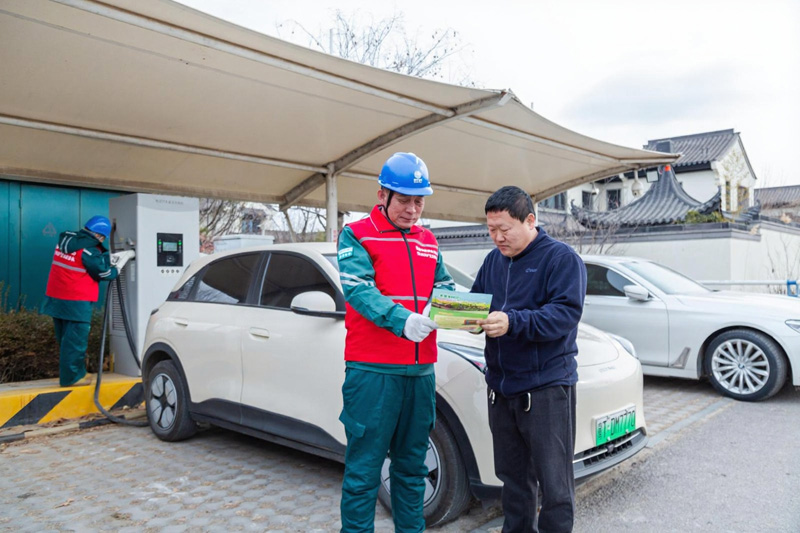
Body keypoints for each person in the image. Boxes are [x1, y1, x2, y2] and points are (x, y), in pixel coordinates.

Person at [337, 152, 455, 532]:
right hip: (373, 374)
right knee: (364, 473)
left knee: (412, 470)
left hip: (420, 375)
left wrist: (464, 312)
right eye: (404, 200)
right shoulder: (357, 234)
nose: (412, 210)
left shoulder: (428, 240)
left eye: (419, 201)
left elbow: (446, 288)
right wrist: (403, 320)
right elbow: (358, 289)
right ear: (382, 195)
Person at [472, 186, 587, 533]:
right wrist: (466, 317)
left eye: (504, 229)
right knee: (513, 480)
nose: (497, 237)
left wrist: (512, 322)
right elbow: (478, 302)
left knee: (555, 486)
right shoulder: (493, 261)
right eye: (491, 229)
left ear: (530, 221)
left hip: (546, 389)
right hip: (502, 388)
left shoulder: (560, 259)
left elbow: (564, 315)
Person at [41, 215, 135, 387]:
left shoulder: (65, 241)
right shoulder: (89, 251)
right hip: (76, 302)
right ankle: (72, 378)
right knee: (75, 341)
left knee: (65, 339)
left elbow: (81, 262)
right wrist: (118, 267)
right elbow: (104, 273)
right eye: (102, 238)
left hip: (56, 299)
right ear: (98, 235)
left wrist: (105, 257)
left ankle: (76, 372)